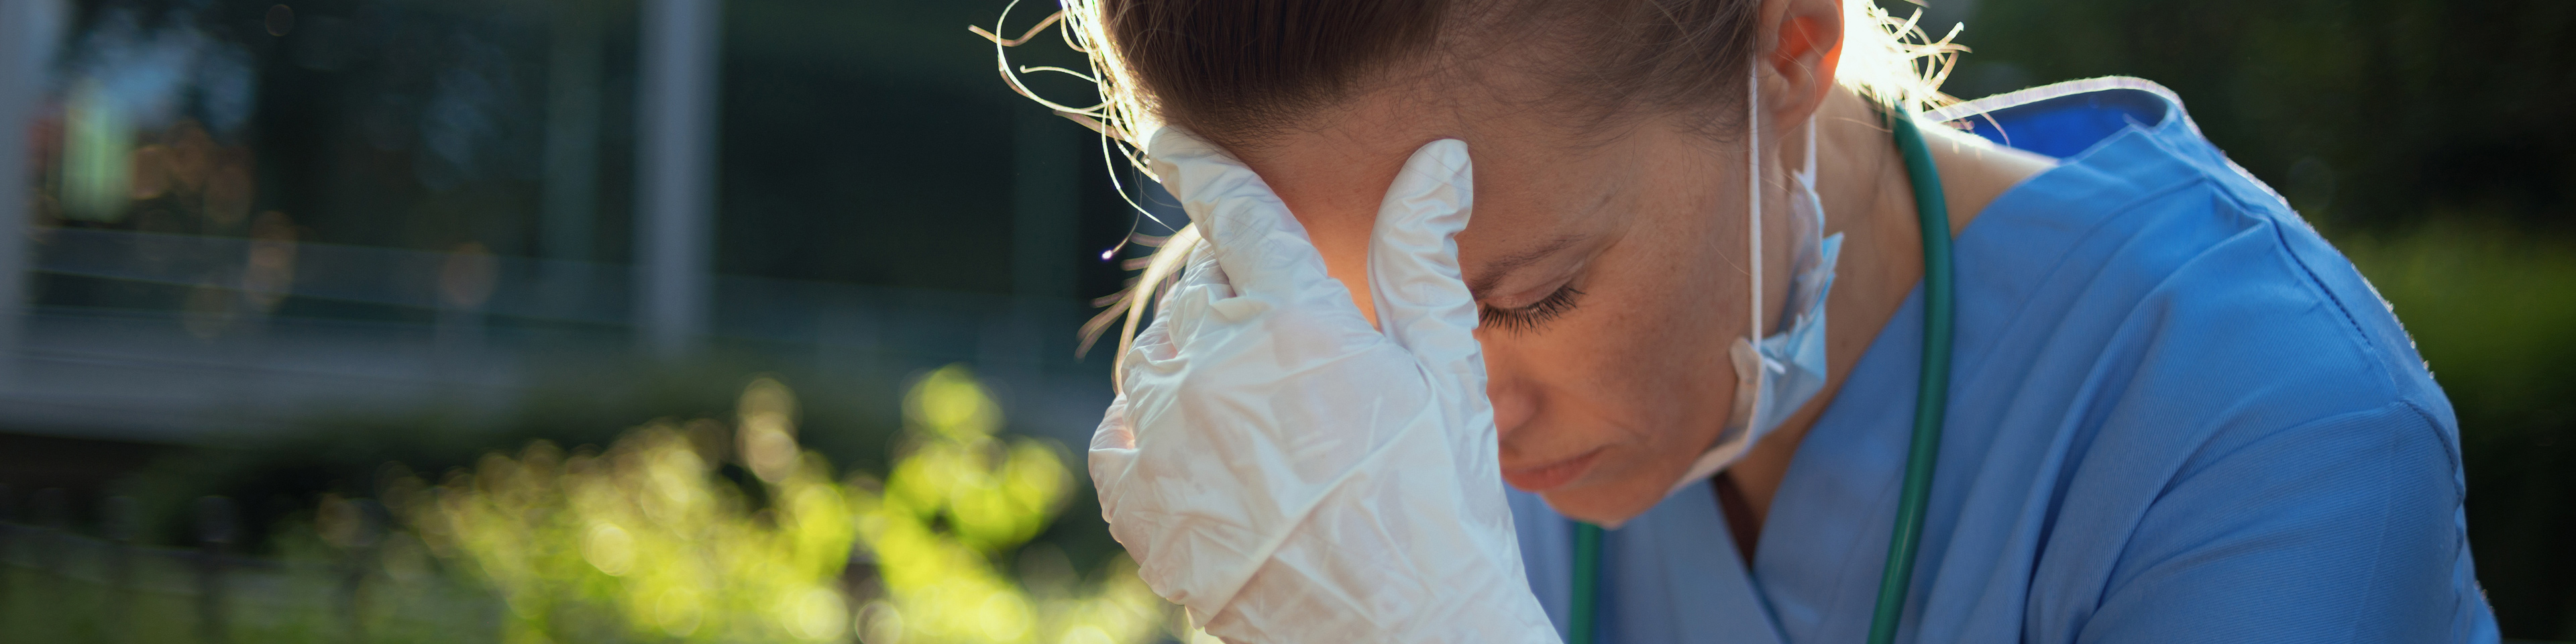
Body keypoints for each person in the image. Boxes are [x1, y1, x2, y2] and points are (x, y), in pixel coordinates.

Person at [1001, 0, 2504, 641]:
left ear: (1789, 41)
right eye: (1352, 318)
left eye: (1524, 298)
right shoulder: (1371, 468)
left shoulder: (2272, 428)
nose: (1461, 406)